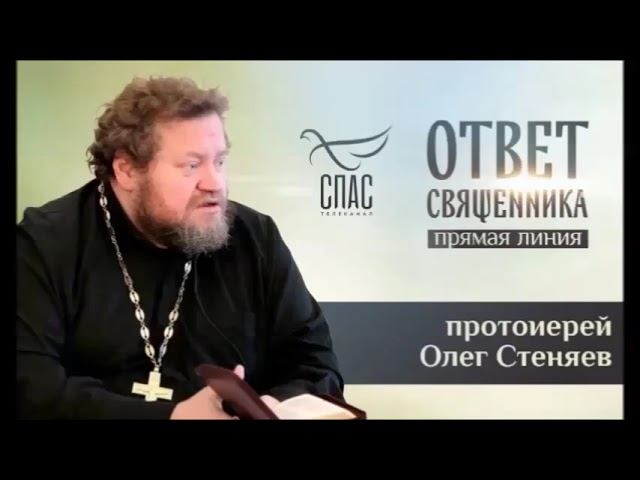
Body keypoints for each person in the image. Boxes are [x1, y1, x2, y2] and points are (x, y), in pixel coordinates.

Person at [16, 76, 344, 419]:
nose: (215, 183)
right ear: (127, 170)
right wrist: (171, 417)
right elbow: (30, 387)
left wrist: (275, 406)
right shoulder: (45, 244)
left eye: (219, 161)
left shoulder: (256, 238)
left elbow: (316, 366)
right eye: (191, 165)